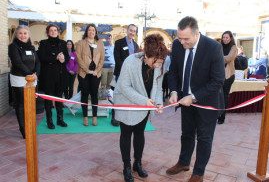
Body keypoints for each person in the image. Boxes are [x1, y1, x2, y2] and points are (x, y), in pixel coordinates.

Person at [166, 16, 225, 182]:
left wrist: (194, 97)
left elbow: (218, 80)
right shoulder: (178, 45)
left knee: (204, 138)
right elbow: (173, 72)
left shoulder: (213, 47)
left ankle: (199, 173)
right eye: (179, 38)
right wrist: (174, 91)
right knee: (186, 134)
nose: (182, 42)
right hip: (185, 101)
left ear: (196, 34)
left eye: (186, 39)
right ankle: (183, 163)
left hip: (206, 102)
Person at [114, 34, 168, 182]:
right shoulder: (130, 62)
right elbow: (124, 86)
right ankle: (126, 166)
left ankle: (137, 163)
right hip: (127, 103)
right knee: (126, 134)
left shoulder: (159, 64)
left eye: (160, 63)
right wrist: (144, 101)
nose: (157, 66)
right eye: (155, 62)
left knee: (139, 133)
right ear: (147, 54)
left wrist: (158, 102)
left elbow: (157, 87)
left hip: (144, 105)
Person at [8, 25, 40, 138]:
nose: (23, 35)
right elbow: (17, 62)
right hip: (19, 79)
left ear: (29, 35)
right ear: (16, 34)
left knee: (31, 104)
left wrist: (36, 73)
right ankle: (24, 130)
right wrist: (29, 74)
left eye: (25, 33)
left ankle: (30, 126)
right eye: (20, 33)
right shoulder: (13, 47)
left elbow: (37, 62)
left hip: (32, 79)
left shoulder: (31, 47)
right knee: (21, 105)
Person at [38, 24, 69, 129]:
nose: (53, 32)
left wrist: (63, 59)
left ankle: (60, 119)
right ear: (48, 32)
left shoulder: (63, 43)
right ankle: (49, 120)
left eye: (55, 30)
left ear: (58, 31)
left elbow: (67, 58)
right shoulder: (43, 43)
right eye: (51, 30)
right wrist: (55, 58)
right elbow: (42, 58)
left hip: (60, 75)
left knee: (59, 98)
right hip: (48, 76)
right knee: (48, 99)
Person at [76, 24, 105, 126]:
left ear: (95, 32)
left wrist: (97, 70)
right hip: (84, 73)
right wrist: (87, 70)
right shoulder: (80, 43)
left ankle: (94, 116)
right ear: (86, 32)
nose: (91, 32)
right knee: (84, 94)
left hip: (96, 74)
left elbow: (102, 59)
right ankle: (85, 116)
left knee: (94, 95)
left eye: (93, 30)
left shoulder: (100, 44)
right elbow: (79, 58)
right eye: (89, 30)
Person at [217, 31, 237, 124]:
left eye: (227, 37)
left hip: (228, 75)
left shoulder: (233, 47)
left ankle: (222, 117)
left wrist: (217, 58)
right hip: (218, 74)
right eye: (223, 37)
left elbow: (229, 58)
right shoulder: (219, 46)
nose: (225, 39)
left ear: (230, 38)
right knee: (217, 96)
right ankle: (217, 115)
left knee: (224, 96)